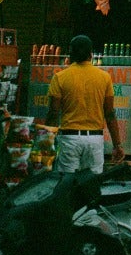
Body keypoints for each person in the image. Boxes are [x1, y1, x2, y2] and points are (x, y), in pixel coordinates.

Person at [48, 34, 124, 173]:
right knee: (92, 183)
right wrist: (117, 145)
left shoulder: (59, 77)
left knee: (67, 182)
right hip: (95, 140)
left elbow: (53, 112)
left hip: (69, 139)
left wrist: (47, 141)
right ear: (91, 54)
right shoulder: (104, 77)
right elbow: (109, 114)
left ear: (71, 54)